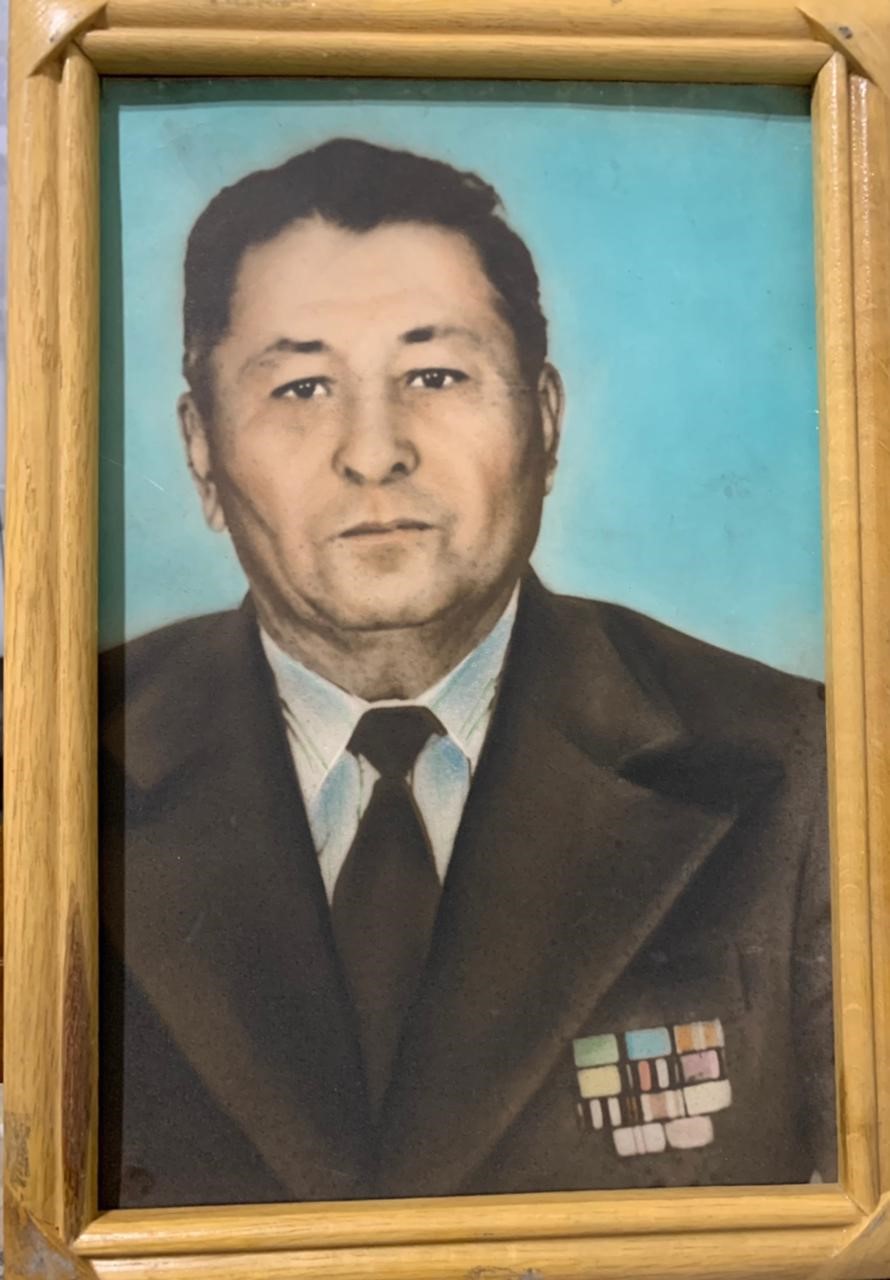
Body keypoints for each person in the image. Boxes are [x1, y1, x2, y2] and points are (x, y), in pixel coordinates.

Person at [99, 138, 834, 1209]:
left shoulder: (798, 766)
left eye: (434, 375)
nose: (373, 451)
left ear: (545, 418)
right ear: (202, 452)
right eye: (302, 385)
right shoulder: (47, 761)